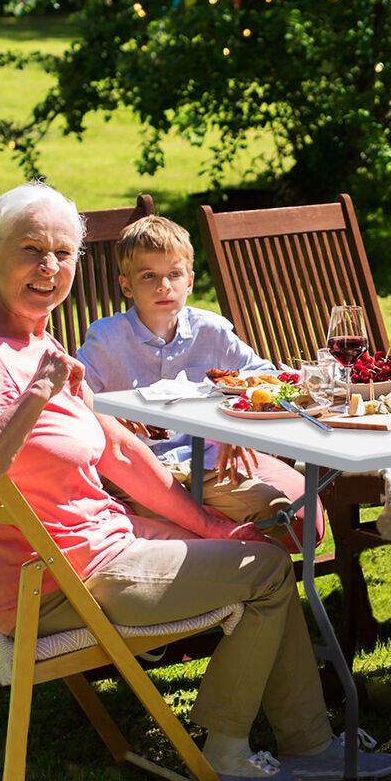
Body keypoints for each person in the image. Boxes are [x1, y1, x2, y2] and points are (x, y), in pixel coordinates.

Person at [0, 183, 391, 781]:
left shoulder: (36, 340)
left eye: (63, 253)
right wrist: (36, 397)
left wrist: (209, 527)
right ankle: (229, 750)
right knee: (264, 570)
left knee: (258, 550)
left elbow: (123, 451)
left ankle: (309, 747)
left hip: (102, 551)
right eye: (31, 251)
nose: (49, 268)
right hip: (54, 585)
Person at [77, 214, 314, 541]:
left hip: (208, 464)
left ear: (189, 281)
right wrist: (112, 418)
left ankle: (251, 582)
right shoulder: (107, 339)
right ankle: (220, 577)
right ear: (126, 285)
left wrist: (236, 424)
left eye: (174, 274)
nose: (164, 286)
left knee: (283, 514)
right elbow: (71, 400)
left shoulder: (210, 330)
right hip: (139, 473)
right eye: (149, 276)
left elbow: (267, 378)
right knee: (186, 526)